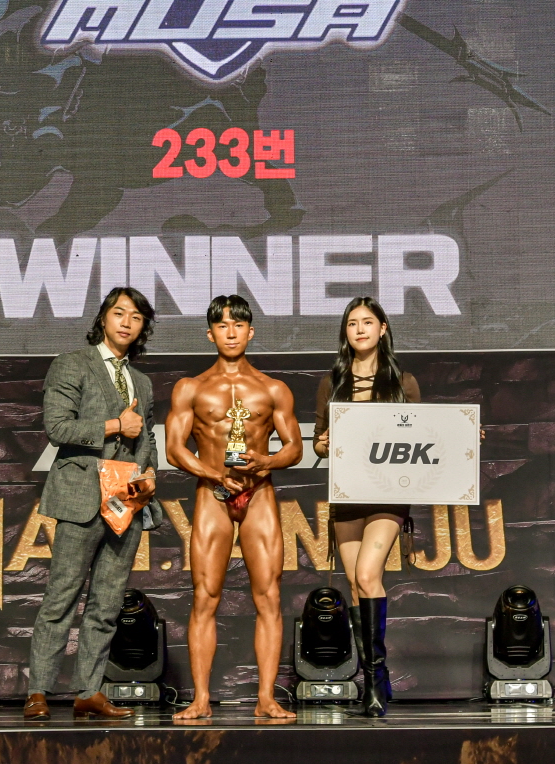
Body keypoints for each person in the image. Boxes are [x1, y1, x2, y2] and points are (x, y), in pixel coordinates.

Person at [24, 287, 162, 720]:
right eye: (119, 313)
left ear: (142, 328)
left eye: (135, 317)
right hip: (82, 497)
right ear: (103, 318)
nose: (126, 322)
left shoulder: (142, 382)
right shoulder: (72, 364)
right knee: (61, 596)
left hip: (126, 503)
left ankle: (89, 690)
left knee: (107, 604)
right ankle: (38, 691)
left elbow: (148, 438)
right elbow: (57, 428)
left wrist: (150, 475)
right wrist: (115, 424)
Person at [165, 295, 302, 720]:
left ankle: (266, 698)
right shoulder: (190, 388)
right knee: (205, 596)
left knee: (269, 595)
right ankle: (201, 699)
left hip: (258, 492)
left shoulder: (273, 389)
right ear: (210, 334)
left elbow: (294, 447)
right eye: (222, 325)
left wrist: (267, 461)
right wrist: (212, 473)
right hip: (213, 494)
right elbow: (174, 449)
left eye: (238, 325)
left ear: (250, 332)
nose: (230, 332)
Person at [312, 297, 420, 717]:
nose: (360, 329)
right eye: (352, 323)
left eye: (368, 322)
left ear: (383, 328)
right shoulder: (333, 382)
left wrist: (462, 436)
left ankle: (374, 681)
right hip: (348, 493)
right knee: (355, 586)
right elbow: (320, 439)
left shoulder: (402, 382)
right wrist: (323, 443)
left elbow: (424, 434)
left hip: (388, 493)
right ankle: (375, 677)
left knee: (367, 574)